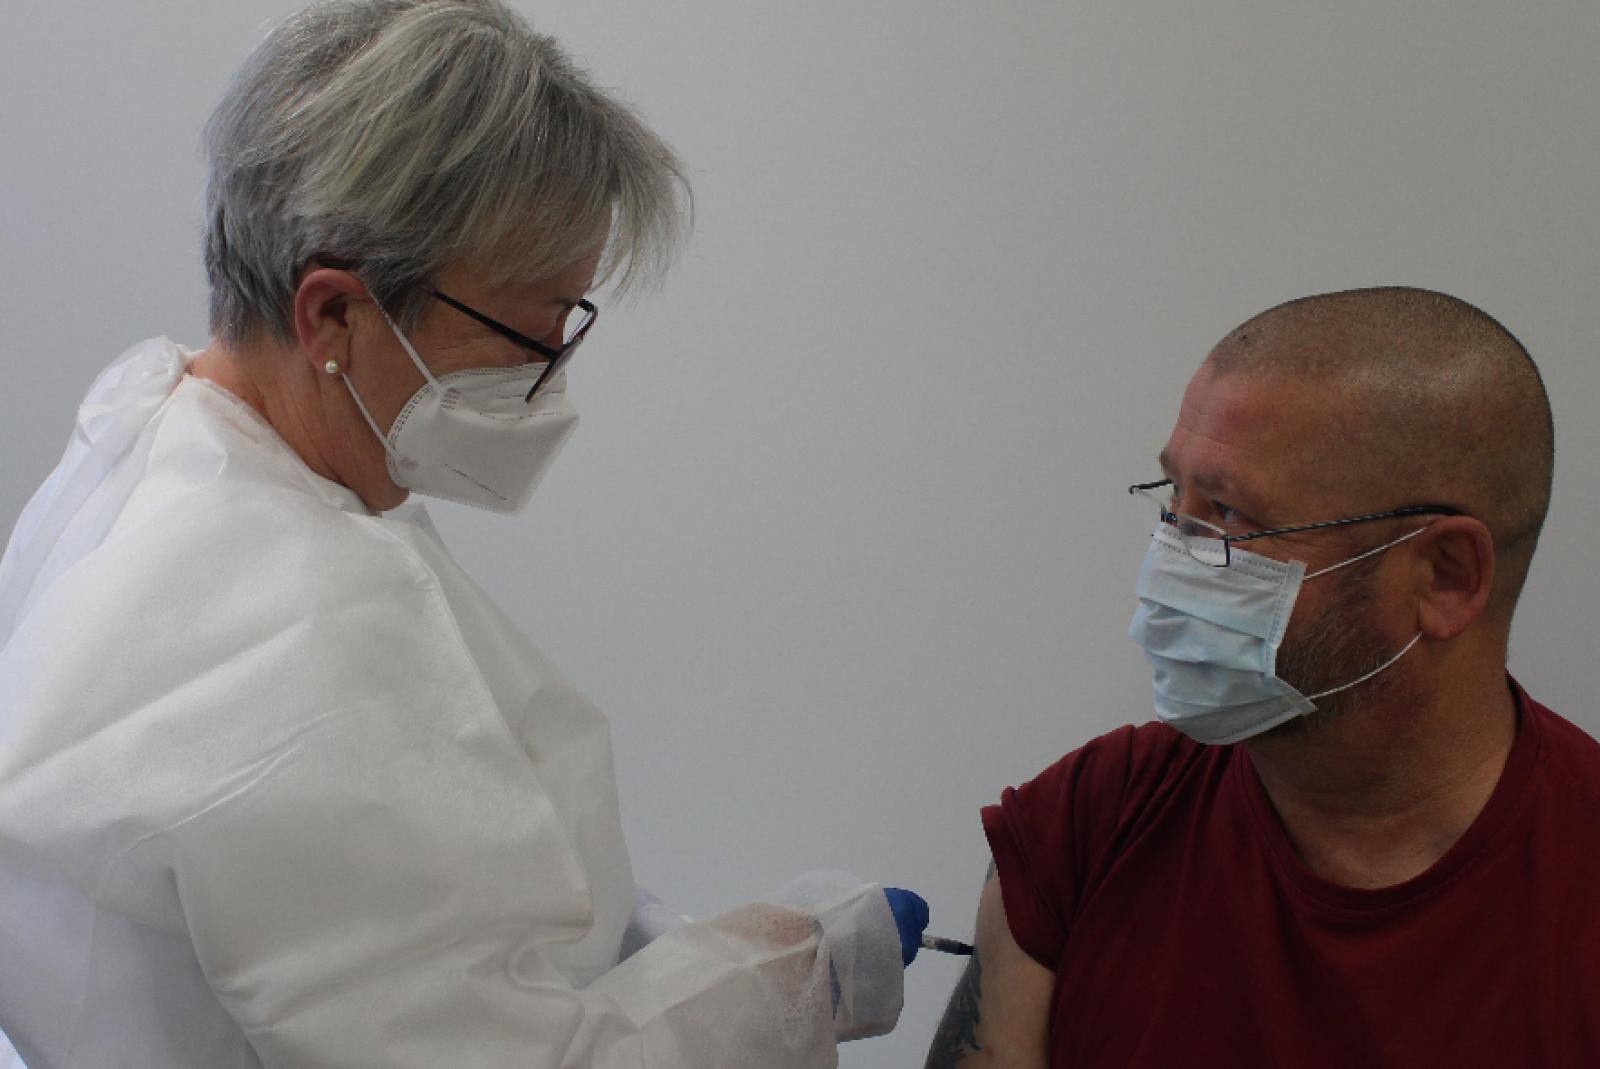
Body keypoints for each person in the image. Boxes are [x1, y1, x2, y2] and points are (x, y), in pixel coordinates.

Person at [0, 2, 930, 1066]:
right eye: (530, 332)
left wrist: (637, 947)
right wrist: (782, 976)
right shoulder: (298, 631)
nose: (550, 376)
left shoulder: (155, 426)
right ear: (333, 314)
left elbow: (410, 930)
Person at [926, 287, 1600, 1068]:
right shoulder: (1090, 821)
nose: (1167, 562)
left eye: (1229, 515)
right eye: (1174, 500)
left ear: (1444, 575)